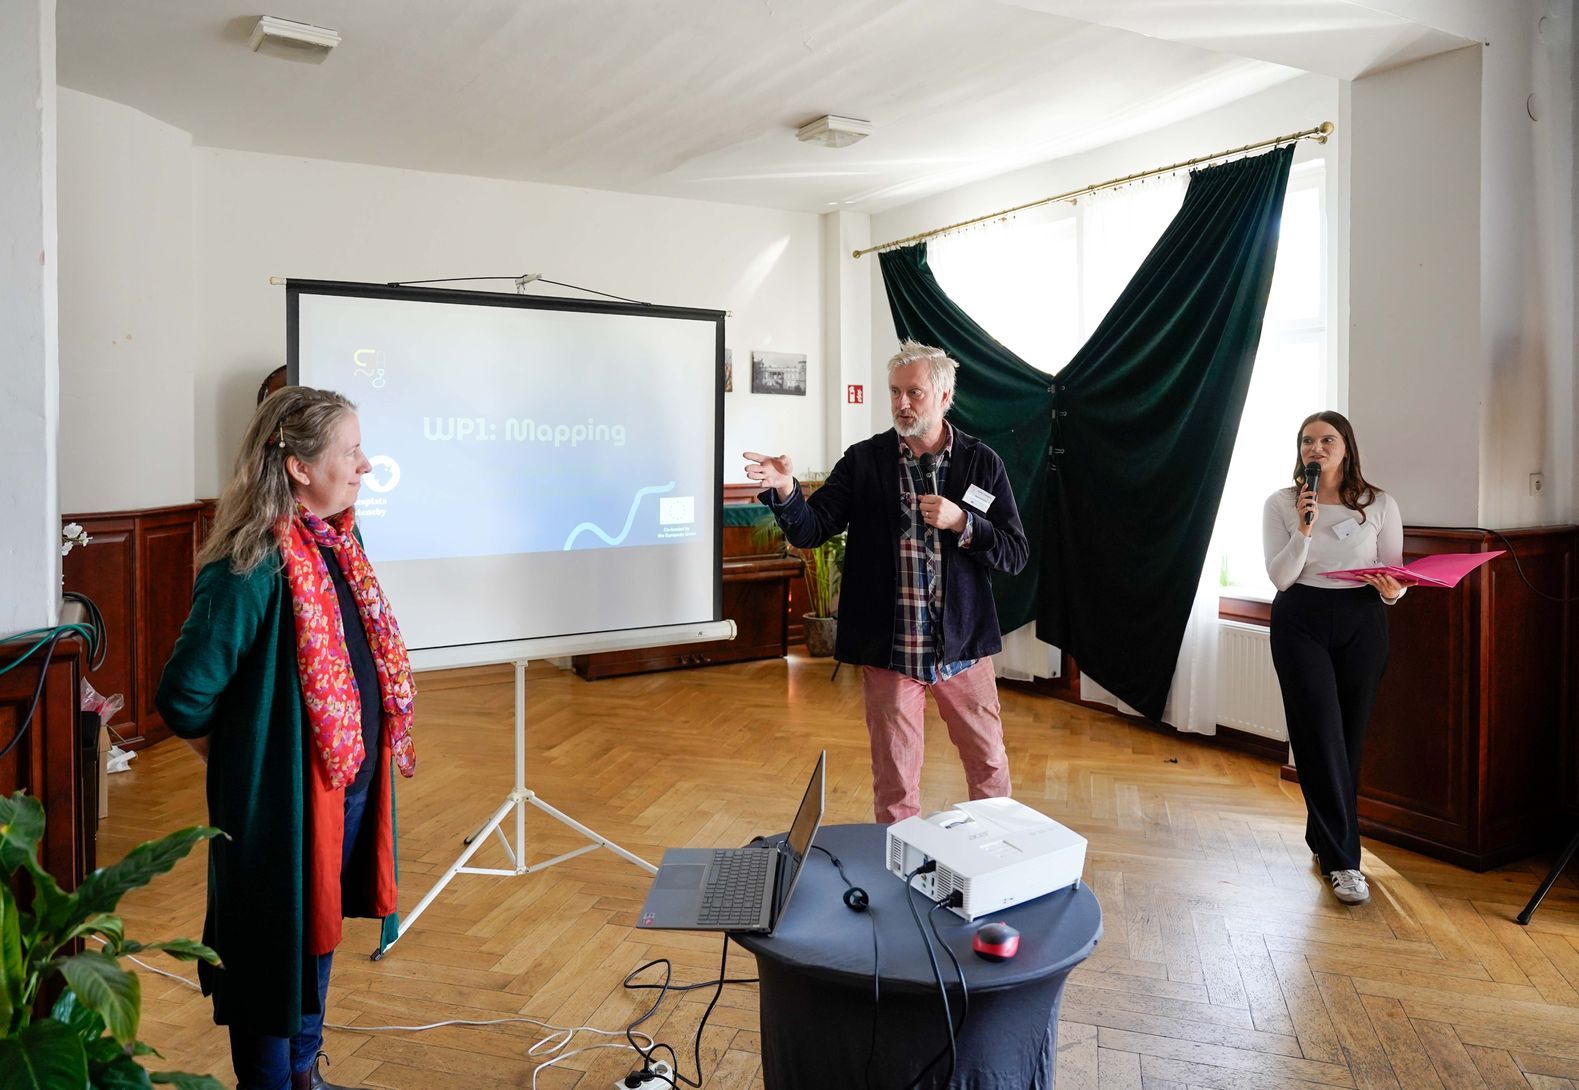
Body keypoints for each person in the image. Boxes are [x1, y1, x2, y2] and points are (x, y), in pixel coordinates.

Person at [157, 387, 417, 1090]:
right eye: (350, 451)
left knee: (317, 932)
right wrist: (242, 760)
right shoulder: (250, 565)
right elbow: (183, 694)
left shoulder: (336, 542)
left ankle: (304, 1072)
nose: (366, 464)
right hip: (282, 804)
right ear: (299, 468)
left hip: (341, 786)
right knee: (271, 950)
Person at [745, 341, 1028, 823]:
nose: (902, 403)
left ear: (944, 397)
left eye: (914, 392)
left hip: (963, 649)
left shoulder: (981, 463)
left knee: (989, 766)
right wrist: (787, 490)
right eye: (895, 392)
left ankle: (991, 853)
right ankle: (899, 866)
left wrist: (963, 522)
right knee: (895, 784)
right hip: (892, 651)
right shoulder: (865, 461)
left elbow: (1014, 553)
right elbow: (811, 530)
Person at [1263, 410, 1406, 906]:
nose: (1316, 448)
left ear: (1346, 447)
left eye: (1327, 440)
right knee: (1317, 734)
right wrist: (1304, 529)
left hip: (1362, 619)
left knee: (1348, 737)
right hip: (1300, 618)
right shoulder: (1282, 503)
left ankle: (1322, 837)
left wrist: (1392, 592)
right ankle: (1344, 862)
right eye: (1308, 441)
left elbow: (1395, 574)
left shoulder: (1379, 503)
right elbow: (1281, 578)